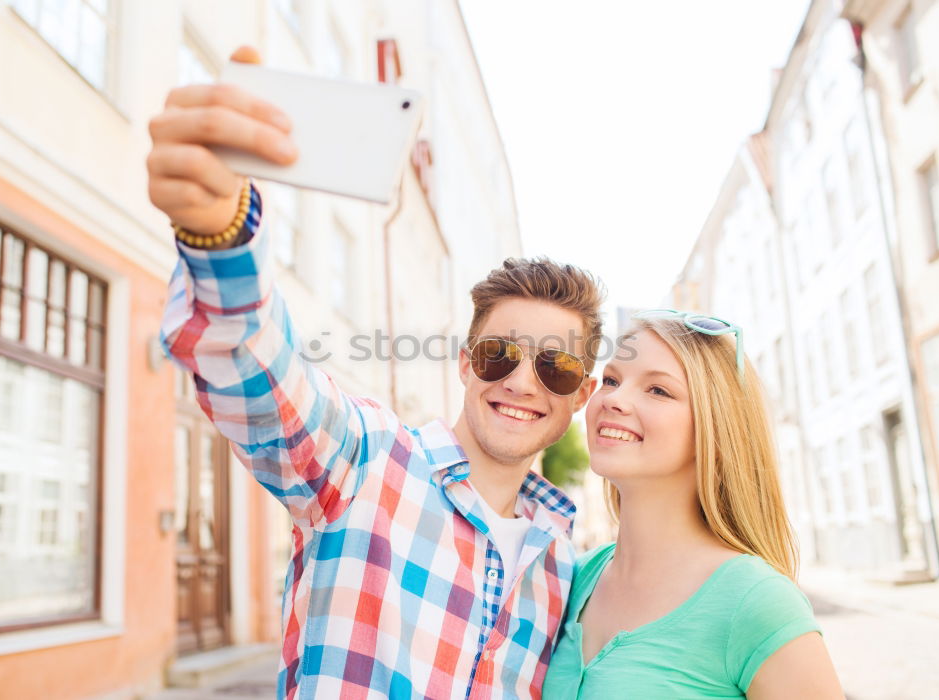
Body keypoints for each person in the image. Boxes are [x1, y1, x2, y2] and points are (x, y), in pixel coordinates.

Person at [150, 47, 604, 699]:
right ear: (464, 364)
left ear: (582, 394)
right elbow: (261, 371)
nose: (523, 382)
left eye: (555, 367)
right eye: (499, 354)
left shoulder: (561, 563)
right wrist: (221, 232)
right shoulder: (367, 461)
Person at [543, 311, 845, 699]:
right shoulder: (574, 578)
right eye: (613, 380)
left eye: (658, 390)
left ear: (713, 429)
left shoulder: (756, 602)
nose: (614, 399)